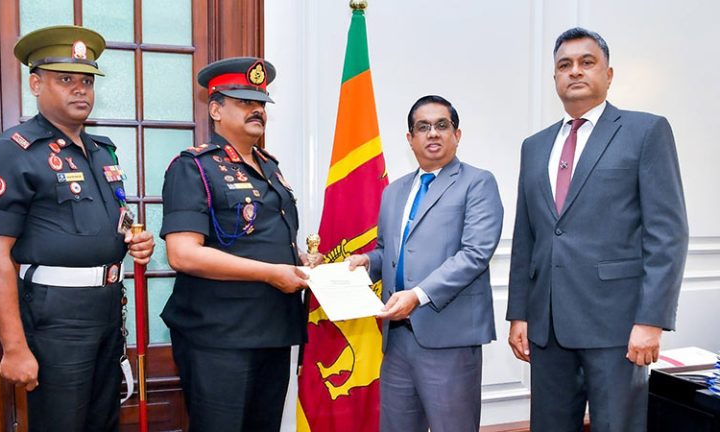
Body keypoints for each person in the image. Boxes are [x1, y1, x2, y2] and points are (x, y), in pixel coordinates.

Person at [506, 27, 689, 431]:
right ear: (555, 78)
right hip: (547, 326)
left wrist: (651, 321)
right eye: (564, 65)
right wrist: (519, 312)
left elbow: (667, 234)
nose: (575, 72)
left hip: (618, 327)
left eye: (587, 63)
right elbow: (527, 236)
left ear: (608, 74)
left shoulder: (645, 131)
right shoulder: (534, 146)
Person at [0, 25, 155, 431]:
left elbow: (111, 222)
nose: (80, 90)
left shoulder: (101, 151)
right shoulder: (13, 152)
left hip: (108, 309)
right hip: (55, 317)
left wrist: (134, 242)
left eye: (86, 81)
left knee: (102, 423)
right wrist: (14, 347)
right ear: (35, 84)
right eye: (65, 79)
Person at [160, 56, 318, 431]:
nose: (257, 111)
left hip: (273, 328)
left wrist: (299, 259)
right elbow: (182, 254)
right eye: (244, 102)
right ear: (215, 109)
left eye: (260, 103)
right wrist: (270, 273)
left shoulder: (270, 166)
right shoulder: (194, 167)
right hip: (220, 335)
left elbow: (257, 238)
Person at [349, 95, 503, 432]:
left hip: (448, 337)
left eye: (441, 125)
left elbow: (475, 253)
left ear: (457, 134)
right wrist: (367, 262)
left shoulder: (477, 182)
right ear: (410, 139)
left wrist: (417, 295)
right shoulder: (394, 192)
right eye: (423, 127)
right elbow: (387, 250)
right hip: (398, 339)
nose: (432, 133)